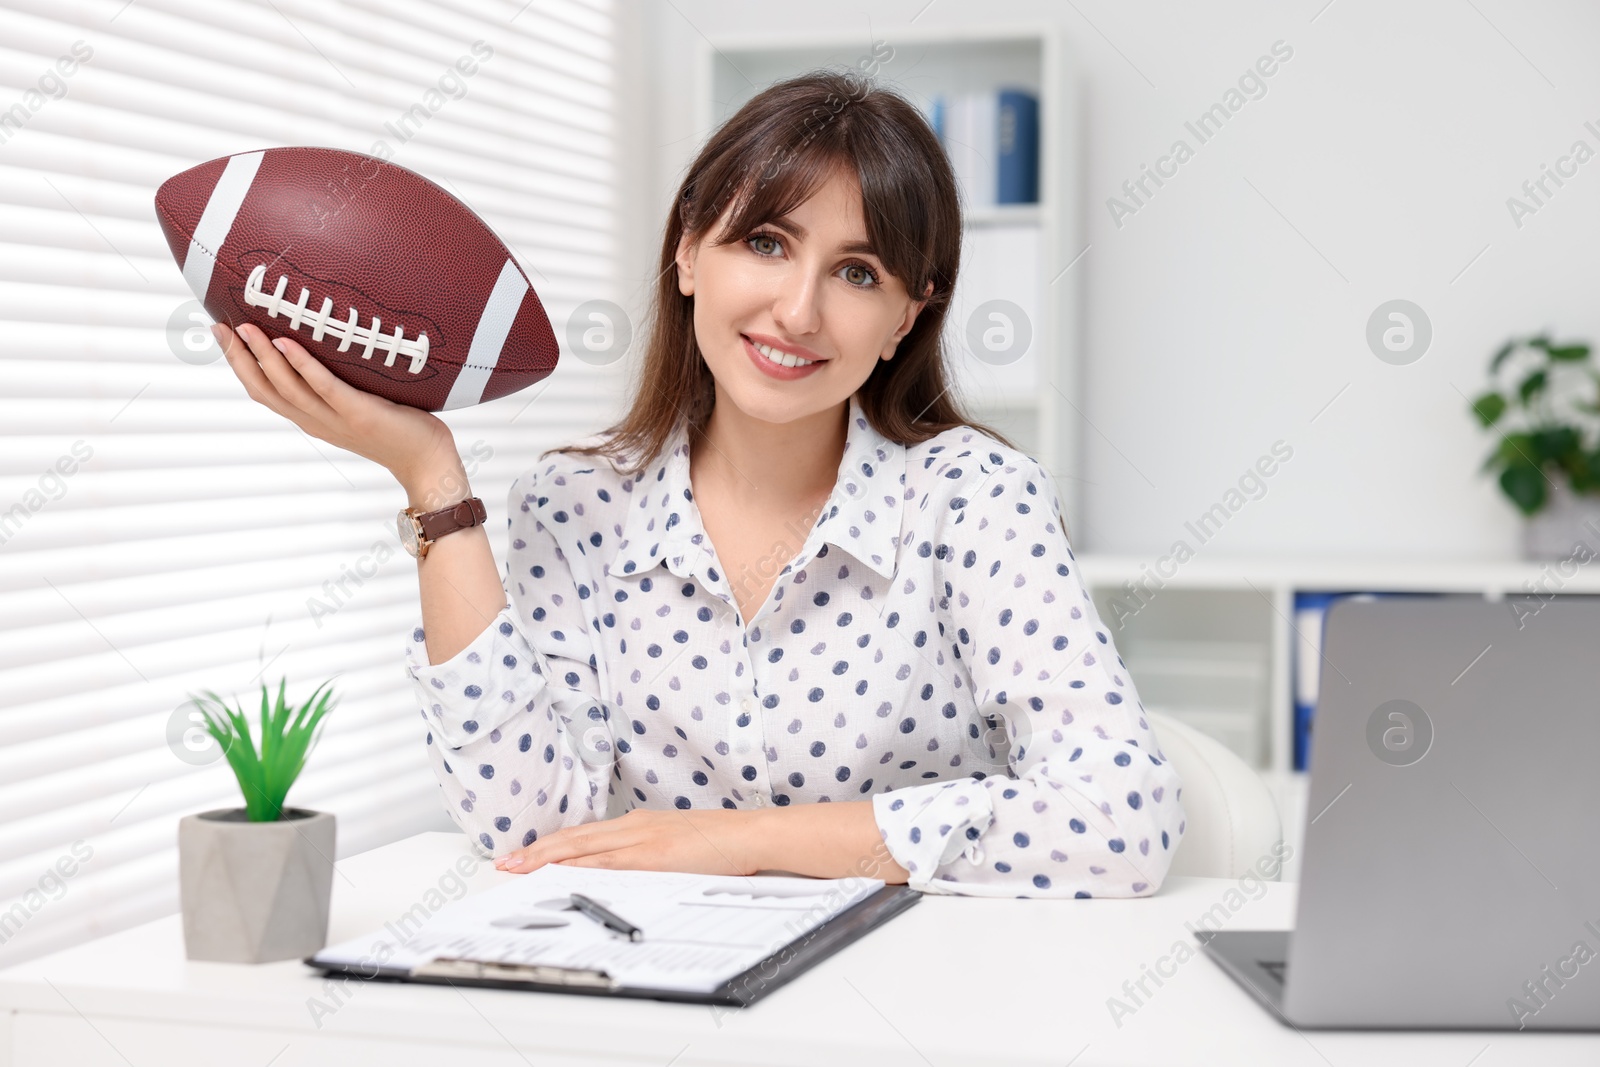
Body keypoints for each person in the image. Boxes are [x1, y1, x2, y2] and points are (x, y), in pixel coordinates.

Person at [214, 70, 1184, 898]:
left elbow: (1120, 815)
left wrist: (731, 841)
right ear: (687, 251)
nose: (795, 310)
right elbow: (525, 824)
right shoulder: (577, 505)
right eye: (765, 243)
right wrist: (431, 477)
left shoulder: (975, 497)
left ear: (903, 319)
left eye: (856, 272)